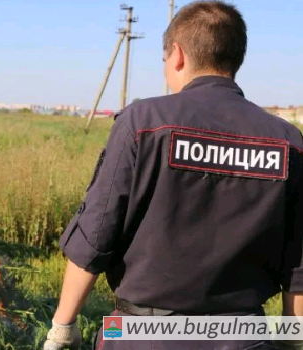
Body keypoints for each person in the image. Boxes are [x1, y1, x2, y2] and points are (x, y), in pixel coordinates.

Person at [43, 1, 303, 349]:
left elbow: (95, 234)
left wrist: (63, 325)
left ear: (177, 55)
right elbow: (298, 266)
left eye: (165, 60)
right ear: (235, 57)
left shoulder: (142, 123)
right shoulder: (288, 142)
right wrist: (291, 340)